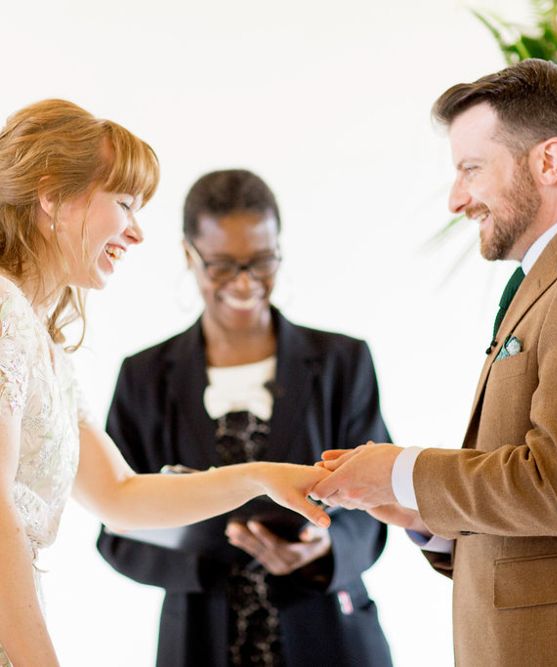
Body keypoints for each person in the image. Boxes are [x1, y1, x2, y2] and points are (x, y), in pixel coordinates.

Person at [312, 59, 557, 666]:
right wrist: (420, 513)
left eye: (471, 170)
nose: (458, 199)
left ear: (548, 161)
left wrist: (403, 470)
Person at [0, 101, 331, 667]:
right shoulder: (3, 310)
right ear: (52, 195)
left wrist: (258, 477)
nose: (136, 231)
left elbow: (120, 496)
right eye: (124, 203)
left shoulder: (43, 342)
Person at [96, 169, 393, 667]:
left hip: (330, 637)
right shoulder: (145, 377)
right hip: (200, 641)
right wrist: (208, 539)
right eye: (222, 266)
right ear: (188, 255)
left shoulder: (343, 361)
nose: (244, 283)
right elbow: (117, 528)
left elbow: (380, 506)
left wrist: (322, 549)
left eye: (261, 262)